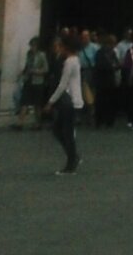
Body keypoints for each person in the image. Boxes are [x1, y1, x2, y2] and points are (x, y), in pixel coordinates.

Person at [50, 32, 84, 174]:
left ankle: (72, 161)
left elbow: (63, 84)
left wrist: (51, 101)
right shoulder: (75, 60)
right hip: (74, 99)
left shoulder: (70, 62)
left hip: (70, 101)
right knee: (60, 130)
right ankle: (73, 156)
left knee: (65, 132)